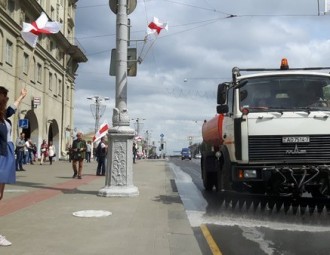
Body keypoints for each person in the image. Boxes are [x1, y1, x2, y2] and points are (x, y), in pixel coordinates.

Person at [0, 86, 27, 246]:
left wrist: (21, 96)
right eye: (6, 97)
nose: (7, 100)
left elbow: (12, 109)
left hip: (5, 156)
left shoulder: (3, 116)